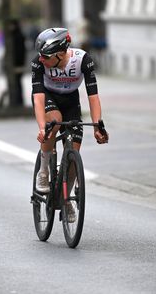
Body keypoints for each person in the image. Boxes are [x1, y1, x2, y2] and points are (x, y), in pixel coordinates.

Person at [31, 27, 108, 193]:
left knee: (74, 150)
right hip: (48, 95)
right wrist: (42, 128)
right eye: (40, 55)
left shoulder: (83, 60)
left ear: (60, 54)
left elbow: (93, 96)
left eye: (45, 56)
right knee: (54, 122)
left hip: (70, 100)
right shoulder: (38, 62)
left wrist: (97, 126)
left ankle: (65, 200)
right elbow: (38, 97)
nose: (41, 59)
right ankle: (44, 170)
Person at [9, 19, 26, 106]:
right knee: (17, 82)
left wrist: (18, 64)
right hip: (18, 63)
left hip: (17, 64)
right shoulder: (16, 36)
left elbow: (20, 52)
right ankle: (18, 100)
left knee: (17, 82)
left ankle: (19, 100)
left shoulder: (17, 37)